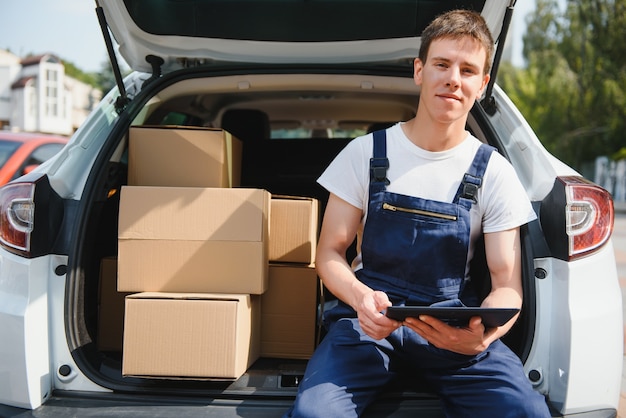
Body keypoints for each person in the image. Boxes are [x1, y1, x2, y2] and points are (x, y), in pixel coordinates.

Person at [283, 9, 552, 418]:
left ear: (481, 84)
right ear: (419, 70)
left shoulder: (495, 172)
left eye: (467, 70)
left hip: (453, 331)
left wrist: (482, 339)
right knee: (314, 413)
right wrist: (360, 299)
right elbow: (329, 254)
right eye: (442, 64)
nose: (453, 79)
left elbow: (507, 286)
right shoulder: (366, 153)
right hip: (367, 326)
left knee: (525, 412)